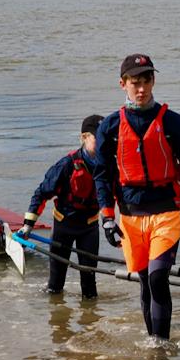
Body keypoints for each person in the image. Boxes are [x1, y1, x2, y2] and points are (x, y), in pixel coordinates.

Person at [93, 54, 180, 341]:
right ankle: (153, 341)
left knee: (158, 277)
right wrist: (107, 218)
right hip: (130, 216)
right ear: (123, 84)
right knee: (145, 282)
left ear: (154, 81)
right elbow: (102, 176)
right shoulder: (109, 127)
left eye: (146, 81)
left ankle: (160, 346)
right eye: (135, 82)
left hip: (166, 212)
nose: (142, 88)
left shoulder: (173, 122)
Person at [20, 114, 105, 299]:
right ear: (84, 137)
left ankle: (90, 317)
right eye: (98, 138)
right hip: (64, 226)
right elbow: (41, 194)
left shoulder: (108, 166)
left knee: (90, 287)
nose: (103, 143)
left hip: (89, 229)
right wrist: (28, 225)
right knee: (56, 285)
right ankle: (55, 314)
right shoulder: (66, 165)